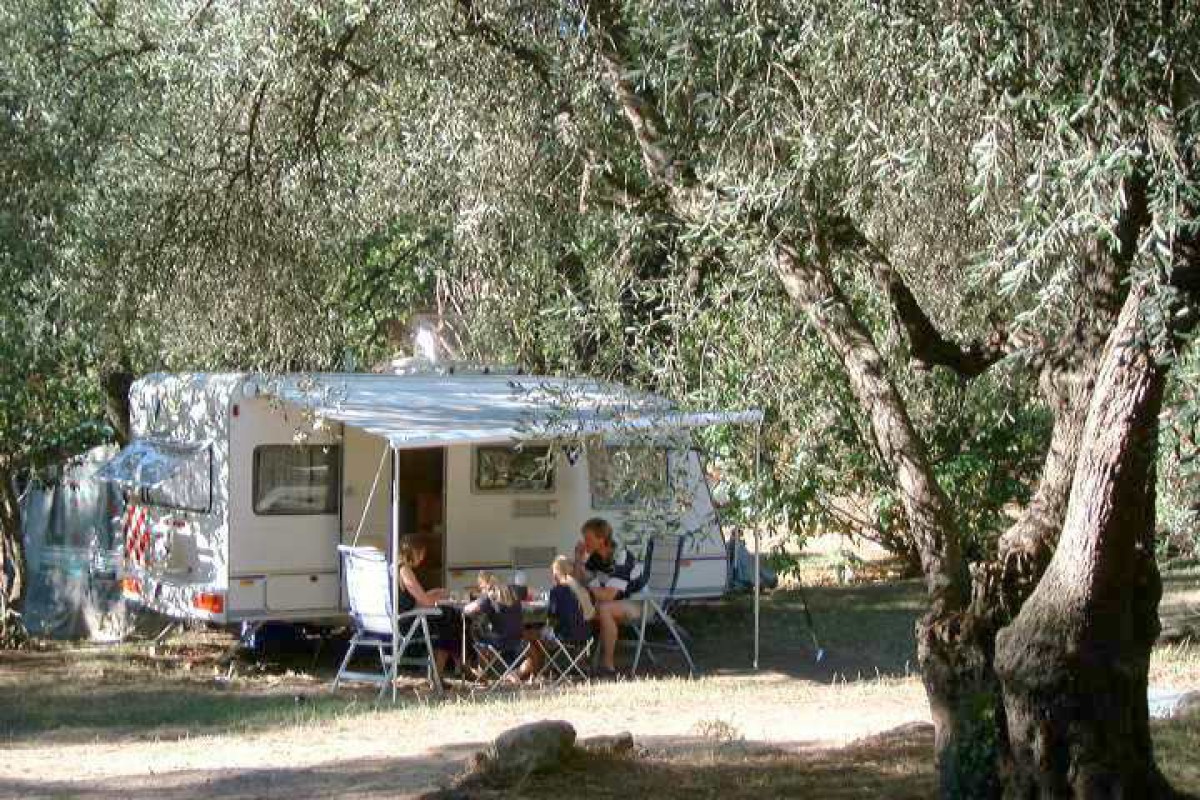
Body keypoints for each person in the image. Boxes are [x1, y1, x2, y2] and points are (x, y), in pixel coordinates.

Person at [574, 517, 645, 676]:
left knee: (604, 608)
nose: (584, 543)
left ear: (601, 539)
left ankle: (608, 667)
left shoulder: (621, 556)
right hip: (619, 602)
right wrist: (578, 559)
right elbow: (579, 581)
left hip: (640, 603)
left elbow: (607, 595)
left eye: (588, 538)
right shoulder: (595, 558)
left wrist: (584, 589)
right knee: (581, 605)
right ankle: (580, 661)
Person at [394, 536, 460, 675]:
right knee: (448, 617)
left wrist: (433, 592)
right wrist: (440, 596)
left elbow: (411, 599)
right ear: (414, 552)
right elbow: (426, 602)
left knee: (446, 620)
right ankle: (442, 673)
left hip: (403, 619)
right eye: (422, 554)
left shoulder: (394, 567)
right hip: (407, 624)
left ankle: (454, 665)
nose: (423, 558)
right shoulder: (404, 570)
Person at [463, 571, 525, 671]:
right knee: (488, 632)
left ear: (484, 585)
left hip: (501, 640)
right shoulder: (511, 591)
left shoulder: (490, 595)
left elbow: (467, 610)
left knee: (475, 635)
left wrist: (473, 601)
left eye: (480, 587)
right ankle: (495, 668)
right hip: (518, 638)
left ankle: (482, 672)